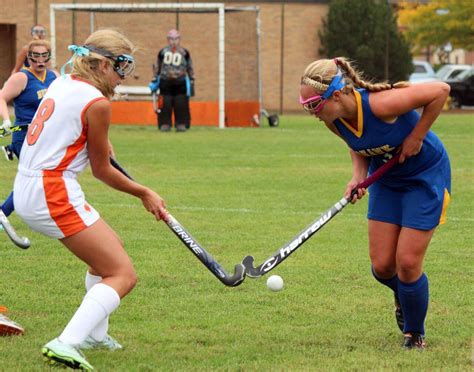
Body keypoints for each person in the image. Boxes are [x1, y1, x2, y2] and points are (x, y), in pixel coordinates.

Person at [12, 29, 168, 370]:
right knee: (123, 274)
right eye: (120, 67)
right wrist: (143, 191)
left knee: (110, 252)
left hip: (31, 185)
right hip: (52, 190)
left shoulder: (62, 82)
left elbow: (65, 128)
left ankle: (95, 336)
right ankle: (66, 342)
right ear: (99, 64)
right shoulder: (98, 103)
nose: (122, 77)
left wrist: (94, 139)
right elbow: (102, 171)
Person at [299, 58, 451, 350]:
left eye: (315, 104)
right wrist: (357, 177)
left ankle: (414, 333)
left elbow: (440, 90)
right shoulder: (333, 120)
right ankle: (405, 295)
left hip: (424, 177)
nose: (312, 112)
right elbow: (356, 145)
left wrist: (417, 137)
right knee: (382, 266)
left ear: (337, 94)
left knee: (406, 263)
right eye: (306, 106)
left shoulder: (381, 105)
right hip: (386, 181)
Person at [0, 40, 58, 221]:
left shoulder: (54, 76)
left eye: (44, 55)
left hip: (47, 135)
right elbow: (1, 97)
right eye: (36, 55)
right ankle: (3, 212)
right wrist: (6, 121)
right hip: (25, 136)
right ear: (29, 57)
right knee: (35, 178)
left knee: (43, 178)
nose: (40, 60)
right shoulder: (21, 77)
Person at [149, 29, 195, 132]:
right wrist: (155, 78)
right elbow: (158, 66)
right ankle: (165, 124)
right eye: (171, 39)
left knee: (181, 103)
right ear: (168, 40)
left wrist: (192, 78)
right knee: (165, 104)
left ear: (179, 39)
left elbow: (189, 66)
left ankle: (181, 124)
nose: (173, 41)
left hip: (180, 82)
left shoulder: (184, 52)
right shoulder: (162, 52)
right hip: (165, 82)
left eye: (176, 39)